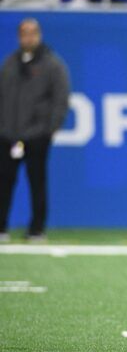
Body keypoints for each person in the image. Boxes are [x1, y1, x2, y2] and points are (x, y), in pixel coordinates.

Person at [0, 18, 70, 242]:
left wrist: (50, 128)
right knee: (4, 181)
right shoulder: (10, 64)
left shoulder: (52, 64)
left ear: (38, 35)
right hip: (9, 134)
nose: (28, 38)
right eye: (23, 33)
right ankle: (1, 227)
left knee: (37, 181)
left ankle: (37, 229)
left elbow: (61, 97)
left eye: (32, 33)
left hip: (37, 134)